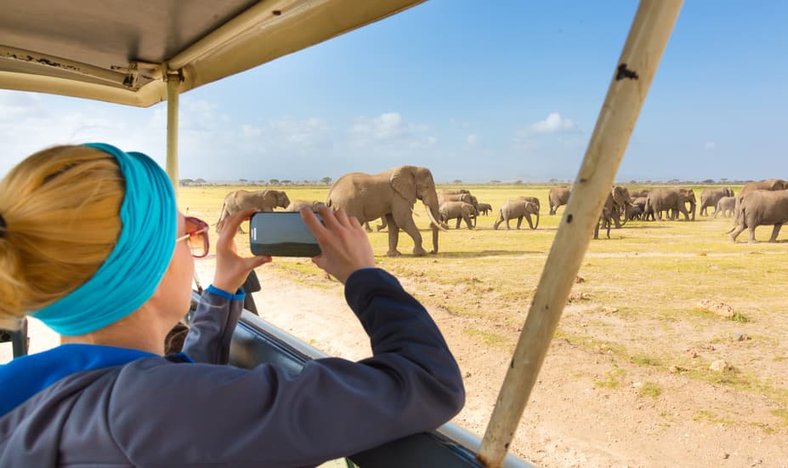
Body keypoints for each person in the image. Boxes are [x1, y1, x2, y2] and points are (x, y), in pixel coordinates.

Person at [0, 143, 464, 466]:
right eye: (188, 234)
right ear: (148, 265)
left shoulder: (27, 387)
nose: (196, 244)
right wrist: (365, 276)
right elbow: (429, 381)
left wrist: (221, 292)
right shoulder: (157, 411)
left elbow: (175, 387)